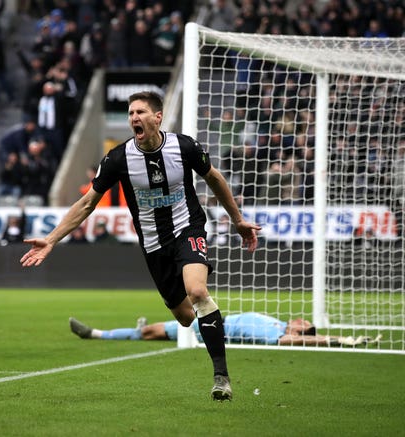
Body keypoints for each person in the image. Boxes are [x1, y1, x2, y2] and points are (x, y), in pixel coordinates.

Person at [21, 91, 262, 401]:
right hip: (153, 244)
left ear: (157, 117)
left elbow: (214, 177)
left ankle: (221, 377)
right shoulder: (118, 159)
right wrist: (52, 239)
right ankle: (217, 322)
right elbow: (86, 204)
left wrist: (237, 219)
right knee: (187, 316)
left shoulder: (184, 147)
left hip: (188, 227)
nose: (134, 117)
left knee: (198, 292)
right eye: (131, 113)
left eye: (140, 112)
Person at [68, 314, 382, 347]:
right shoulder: (276, 322)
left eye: (304, 326)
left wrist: (339, 340)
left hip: (210, 329)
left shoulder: (276, 335)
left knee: (150, 332)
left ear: (300, 332)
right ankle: (98, 334)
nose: (301, 320)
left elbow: (296, 342)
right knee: (150, 330)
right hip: (211, 317)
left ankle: (95, 335)